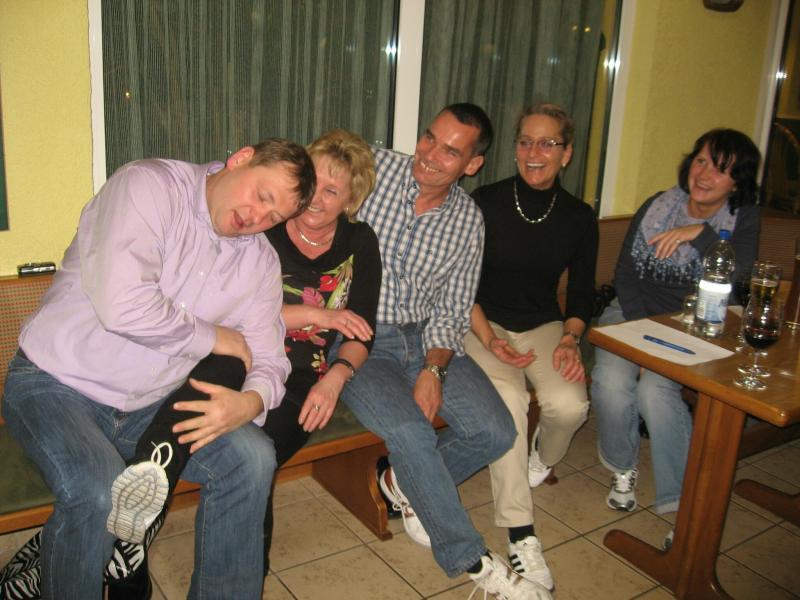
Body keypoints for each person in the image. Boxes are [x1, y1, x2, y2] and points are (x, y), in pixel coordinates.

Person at [1, 138, 315, 599]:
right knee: (97, 490)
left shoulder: (259, 262)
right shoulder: (148, 187)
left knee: (252, 459)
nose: (258, 218)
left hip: (148, 403)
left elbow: (270, 358)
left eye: (274, 217)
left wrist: (251, 402)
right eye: (262, 196)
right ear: (241, 159)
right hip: (54, 383)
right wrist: (215, 337)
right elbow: (122, 305)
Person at [106, 129, 381, 585]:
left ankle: (237, 566)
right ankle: (138, 517)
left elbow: (361, 329)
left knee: (259, 452)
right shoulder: (263, 223)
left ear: (351, 200)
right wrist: (317, 314)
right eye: (313, 183)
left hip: (299, 374)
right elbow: (235, 314)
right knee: (220, 376)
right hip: (231, 353)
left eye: (332, 191)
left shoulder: (359, 243)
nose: (315, 198)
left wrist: (334, 380)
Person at [341, 103, 552, 599]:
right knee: (412, 430)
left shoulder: (467, 221)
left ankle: (405, 485)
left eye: (450, 151)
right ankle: (476, 563)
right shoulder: (372, 169)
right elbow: (307, 173)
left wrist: (433, 370)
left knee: (496, 430)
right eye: (429, 138)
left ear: (472, 164)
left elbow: (454, 309)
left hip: (425, 339)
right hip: (358, 337)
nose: (430, 155)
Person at [591, 128, 760, 526]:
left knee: (655, 391)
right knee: (610, 381)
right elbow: (625, 273)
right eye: (701, 161)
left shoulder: (743, 217)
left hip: (696, 324)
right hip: (633, 311)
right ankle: (622, 467)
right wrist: (644, 340)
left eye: (720, 169)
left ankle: (681, 503)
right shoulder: (657, 206)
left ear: (737, 182)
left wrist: (701, 235)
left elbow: (740, 273)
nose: (704, 174)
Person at [464, 103, 598, 590]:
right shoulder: (485, 201)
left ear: (566, 154)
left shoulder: (579, 217)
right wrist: (490, 338)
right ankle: (520, 533)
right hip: (481, 321)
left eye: (547, 143)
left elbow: (581, 293)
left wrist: (570, 339)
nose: (533, 152)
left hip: (543, 323)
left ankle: (540, 458)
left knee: (570, 404)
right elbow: (460, 283)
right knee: (511, 399)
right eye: (525, 141)